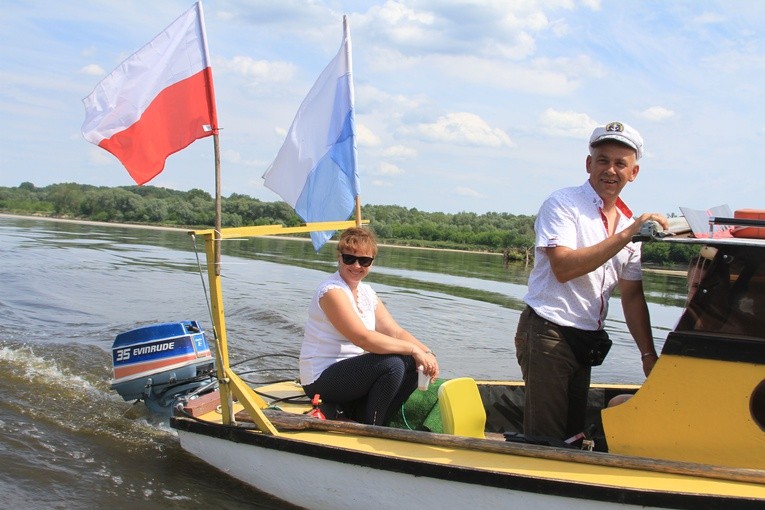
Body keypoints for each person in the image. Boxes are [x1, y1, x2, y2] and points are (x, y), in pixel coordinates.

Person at [514, 121, 668, 440]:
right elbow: (564, 267)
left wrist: (648, 355)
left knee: (572, 437)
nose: (610, 170)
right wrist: (629, 235)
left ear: (633, 172)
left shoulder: (629, 221)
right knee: (546, 441)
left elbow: (633, 296)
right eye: (602, 160)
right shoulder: (563, 204)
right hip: (548, 332)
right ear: (589, 164)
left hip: (585, 339)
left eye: (620, 163)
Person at [300, 227, 440, 426]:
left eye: (364, 261)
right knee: (392, 364)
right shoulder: (331, 291)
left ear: (372, 263)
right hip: (320, 377)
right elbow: (362, 338)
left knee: (413, 363)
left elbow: (395, 331)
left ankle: (371, 415)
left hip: (352, 373)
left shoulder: (366, 292)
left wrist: (427, 354)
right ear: (339, 257)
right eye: (350, 259)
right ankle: (373, 426)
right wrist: (413, 349)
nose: (357, 266)